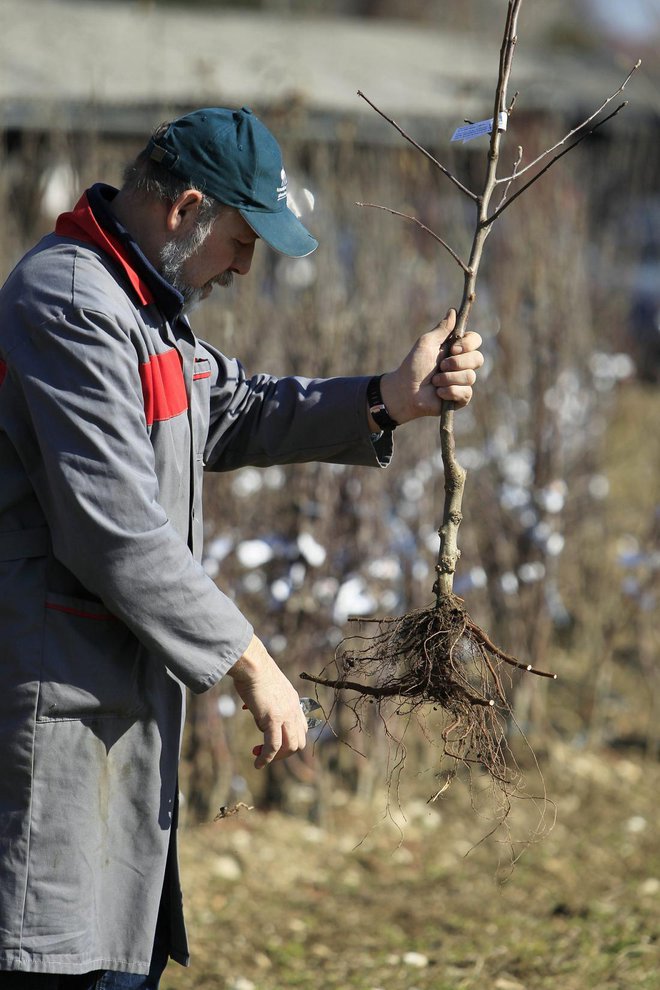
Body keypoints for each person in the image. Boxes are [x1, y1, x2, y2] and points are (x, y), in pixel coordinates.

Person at [0, 106, 484, 987]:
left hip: (116, 714)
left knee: (110, 949)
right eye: (241, 239)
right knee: (56, 956)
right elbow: (113, 531)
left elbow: (237, 406)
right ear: (186, 210)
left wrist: (388, 397)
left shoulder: (147, 307)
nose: (247, 266)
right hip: (57, 710)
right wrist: (250, 661)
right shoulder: (69, 303)